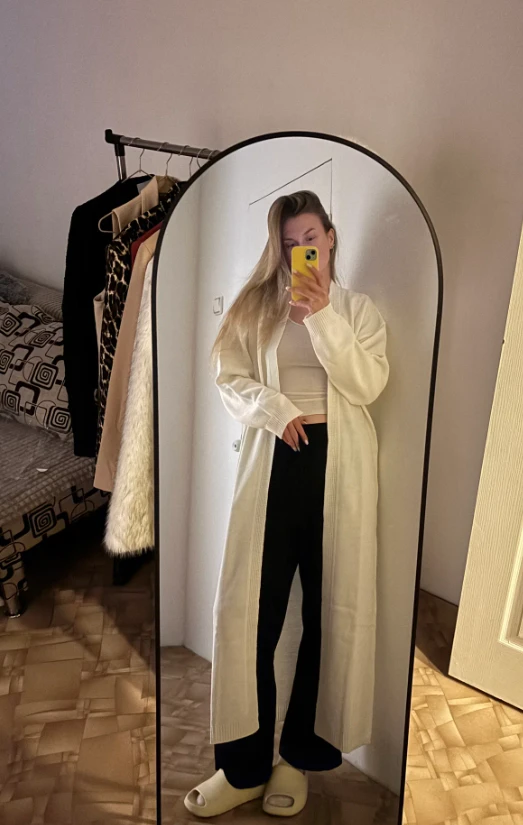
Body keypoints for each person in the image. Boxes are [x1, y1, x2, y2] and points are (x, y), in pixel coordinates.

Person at [184, 190, 389, 818]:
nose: (303, 250)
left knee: (332, 616)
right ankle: (243, 767)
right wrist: (275, 409)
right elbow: (228, 378)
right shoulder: (257, 308)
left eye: (311, 238)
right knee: (249, 614)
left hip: (340, 470)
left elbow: (367, 384)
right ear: (278, 250)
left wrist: (322, 315)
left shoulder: (357, 310)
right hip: (274, 462)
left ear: (330, 236)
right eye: (290, 243)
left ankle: (297, 759)